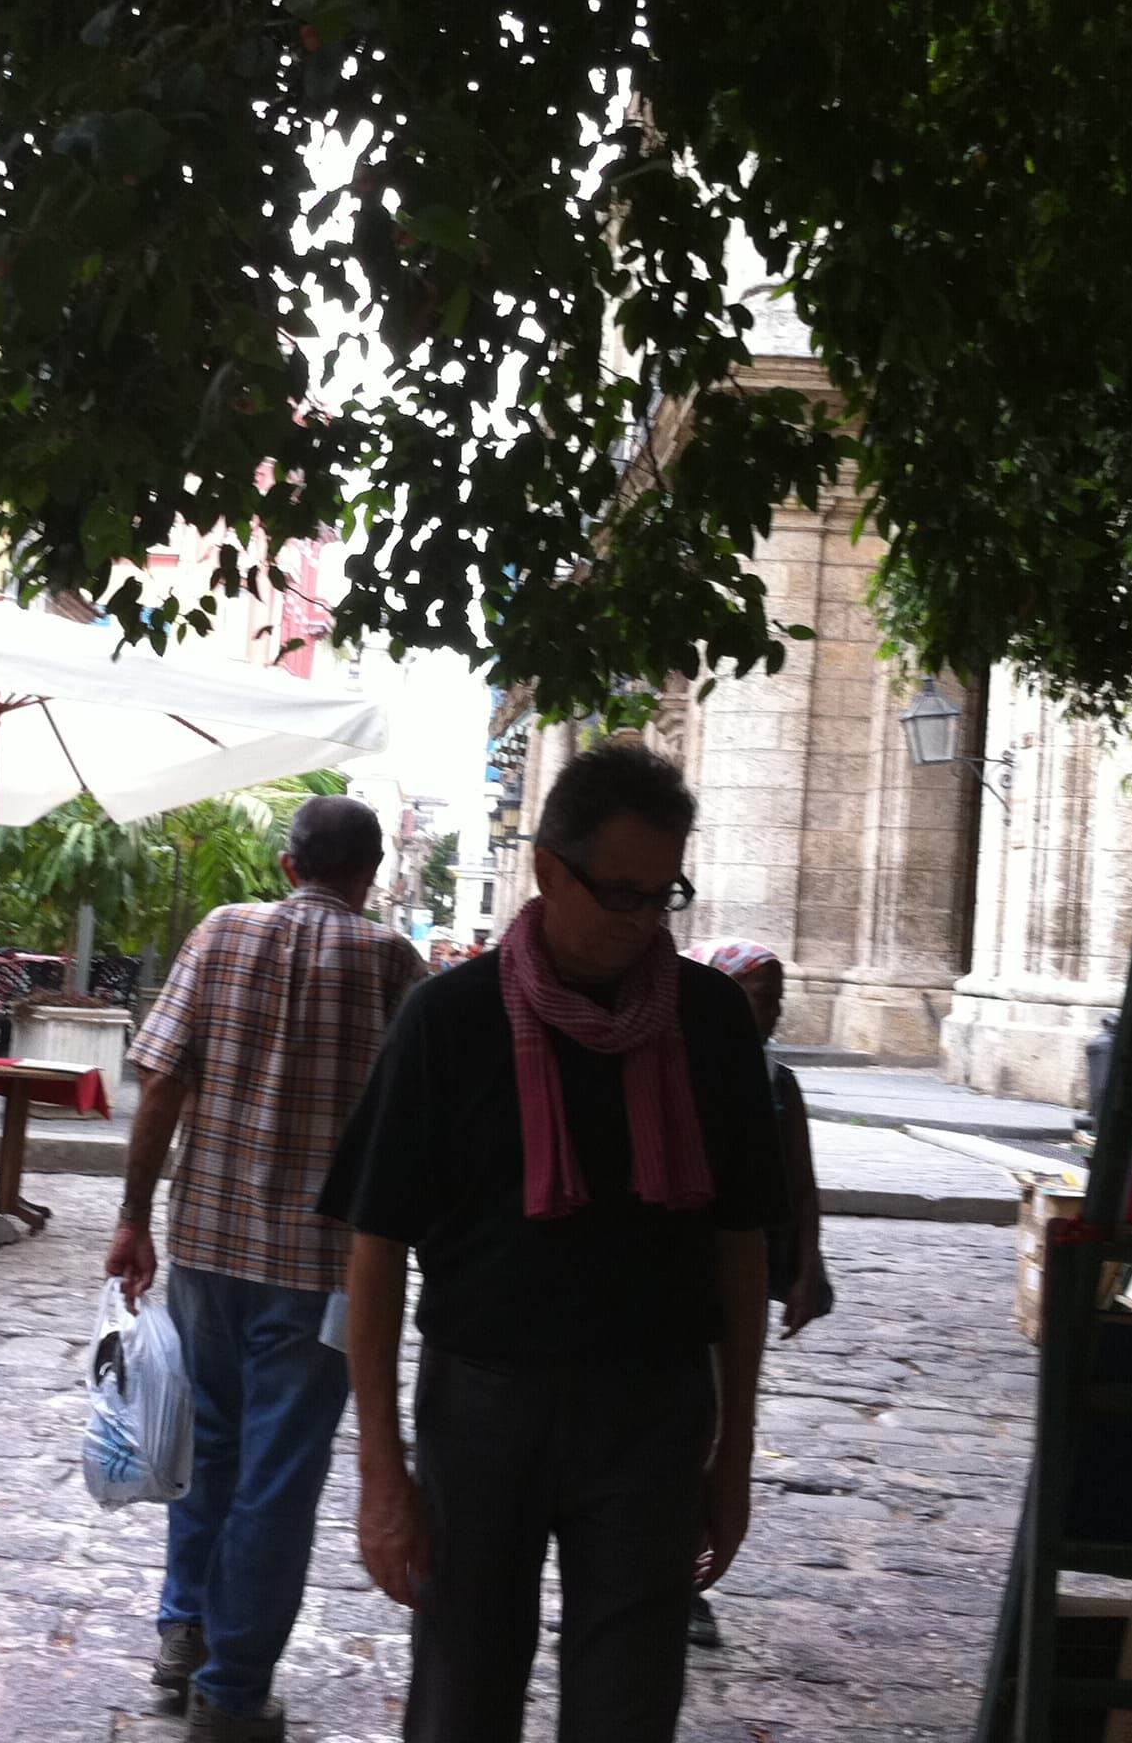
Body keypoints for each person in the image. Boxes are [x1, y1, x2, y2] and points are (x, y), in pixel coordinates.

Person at [321, 741, 790, 1743]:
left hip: (655, 1411)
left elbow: (742, 1244)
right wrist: (381, 1471)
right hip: (483, 1404)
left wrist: (734, 1450)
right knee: (462, 1691)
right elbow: (375, 1246)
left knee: (629, 1700)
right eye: (617, 893)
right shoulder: (449, 1019)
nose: (638, 923)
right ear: (547, 867)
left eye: (662, 896)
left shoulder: (710, 1023)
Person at [106, 793, 427, 1743]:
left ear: (289, 864)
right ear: (371, 875)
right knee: (278, 1478)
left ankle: (184, 1638)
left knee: (203, 1450)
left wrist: (133, 1217)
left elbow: (161, 1077)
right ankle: (233, 1691)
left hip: (206, 1245)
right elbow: (416, 1132)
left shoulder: (219, 932)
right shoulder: (391, 963)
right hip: (326, 1273)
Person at [678, 936, 834, 1649]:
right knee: (691, 1427)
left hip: (738, 1277)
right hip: (686, 1279)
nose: (771, 1012)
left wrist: (809, 1265)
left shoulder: (777, 1083)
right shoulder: (680, 1068)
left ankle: (683, 1577)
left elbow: (799, 1182)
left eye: (777, 999)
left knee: (714, 1425)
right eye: (758, 995)